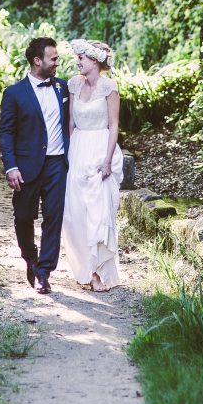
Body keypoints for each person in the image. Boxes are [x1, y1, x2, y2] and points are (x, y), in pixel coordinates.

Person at [0, 37, 70, 295]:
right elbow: (6, 132)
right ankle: (30, 258)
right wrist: (11, 167)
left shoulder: (63, 87)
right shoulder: (14, 93)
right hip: (26, 166)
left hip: (57, 164)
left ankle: (44, 272)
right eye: (53, 58)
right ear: (37, 61)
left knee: (54, 216)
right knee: (24, 217)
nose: (57, 63)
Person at [62, 38, 123, 292]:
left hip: (100, 149)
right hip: (78, 150)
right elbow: (71, 124)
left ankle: (100, 273)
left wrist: (108, 160)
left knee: (99, 211)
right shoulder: (74, 84)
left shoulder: (109, 87)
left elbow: (113, 125)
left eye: (81, 58)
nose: (77, 62)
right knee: (76, 212)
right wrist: (66, 154)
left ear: (95, 61)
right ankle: (85, 269)